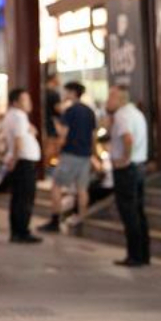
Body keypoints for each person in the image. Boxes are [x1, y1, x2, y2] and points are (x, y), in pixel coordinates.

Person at [40, 82, 96, 233]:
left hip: (70, 153)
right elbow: (93, 136)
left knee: (56, 186)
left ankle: (55, 220)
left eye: (66, 91)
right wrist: (93, 154)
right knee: (82, 189)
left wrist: (57, 147)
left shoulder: (69, 111)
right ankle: (82, 219)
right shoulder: (89, 111)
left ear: (72, 93)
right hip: (85, 154)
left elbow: (63, 135)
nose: (64, 94)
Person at [107, 85, 149, 266]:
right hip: (139, 166)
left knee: (129, 212)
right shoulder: (136, 113)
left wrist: (125, 158)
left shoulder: (122, 115)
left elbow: (128, 139)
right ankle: (143, 254)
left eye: (111, 96)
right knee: (138, 211)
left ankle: (135, 256)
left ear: (119, 98)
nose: (109, 100)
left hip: (127, 169)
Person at [2, 89, 42, 244]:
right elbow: (19, 140)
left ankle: (17, 231)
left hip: (20, 161)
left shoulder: (13, 116)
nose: (29, 103)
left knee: (19, 198)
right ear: (15, 102)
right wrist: (15, 158)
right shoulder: (18, 116)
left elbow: (29, 132)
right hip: (23, 162)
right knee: (24, 198)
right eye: (25, 99)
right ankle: (22, 231)